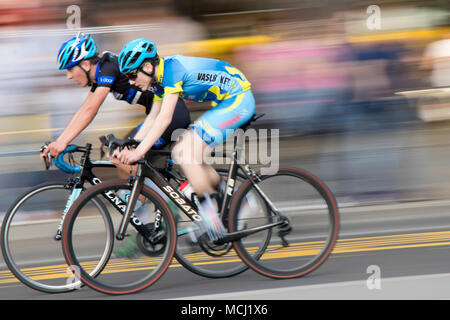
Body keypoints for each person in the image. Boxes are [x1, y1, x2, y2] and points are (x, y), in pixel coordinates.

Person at [114, 38, 255, 240]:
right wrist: (132, 144)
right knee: (189, 154)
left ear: (146, 66)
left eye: (132, 74)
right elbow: (152, 117)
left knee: (183, 152)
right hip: (226, 103)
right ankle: (240, 201)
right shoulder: (159, 79)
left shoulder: (172, 71)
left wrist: (139, 152)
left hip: (238, 100)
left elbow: (164, 119)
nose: (130, 81)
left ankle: (210, 220)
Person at [40, 33, 191, 179]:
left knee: (121, 157)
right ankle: (144, 200)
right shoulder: (102, 73)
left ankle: (157, 199)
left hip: (171, 115)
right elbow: (83, 109)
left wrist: (62, 142)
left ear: (86, 64)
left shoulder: (108, 67)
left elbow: (90, 110)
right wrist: (60, 141)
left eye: (70, 69)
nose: (69, 76)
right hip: (156, 115)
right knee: (118, 156)